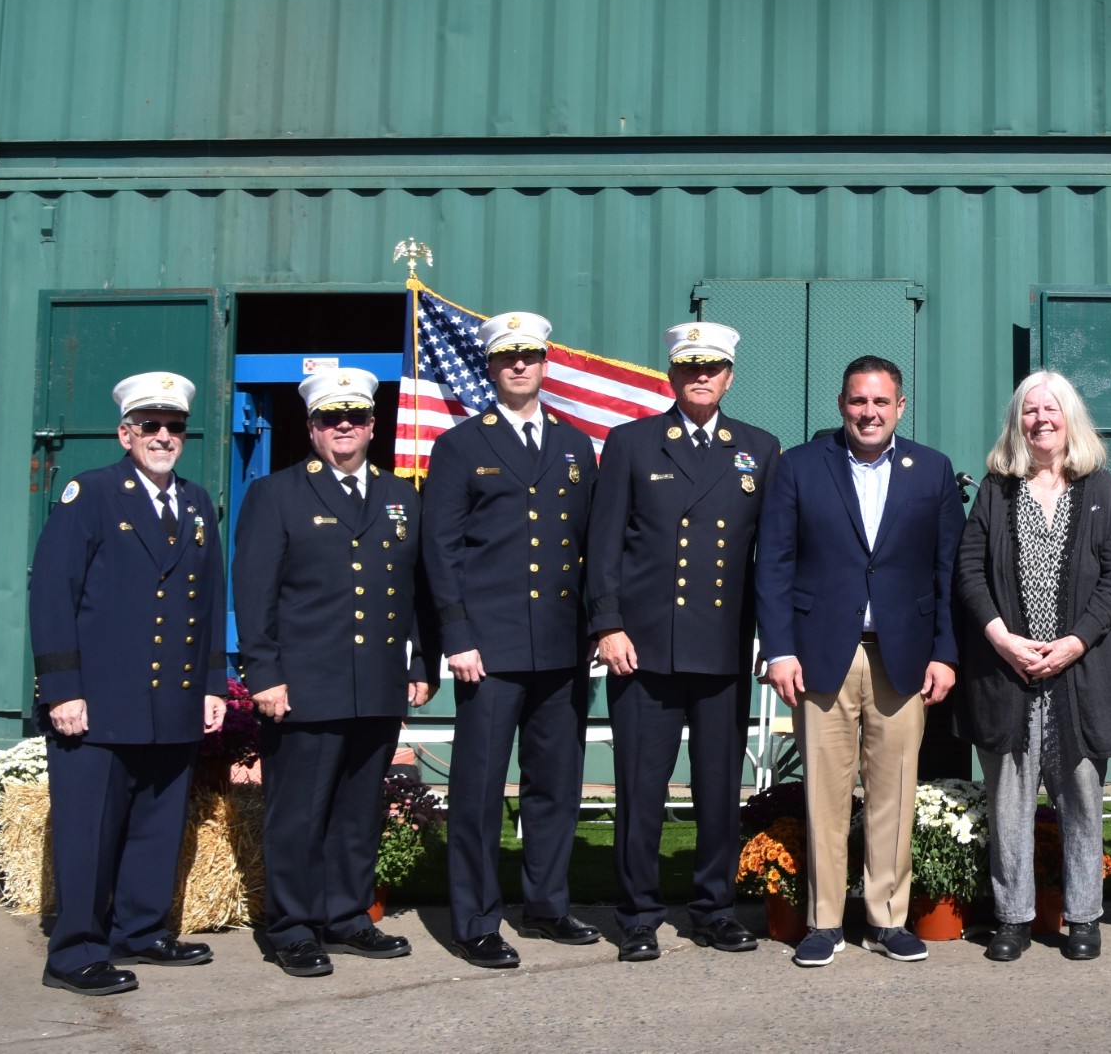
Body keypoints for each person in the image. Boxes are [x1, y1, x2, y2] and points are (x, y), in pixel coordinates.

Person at [755, 356, 963, 967]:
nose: (868, 413)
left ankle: (887, 918)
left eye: (880, 402)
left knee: (894, 790)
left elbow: (949, 571)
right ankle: (823, 921)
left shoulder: (932, 470)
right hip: (822, 653)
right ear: (841, 405)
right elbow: (773, 565)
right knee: (825, 791)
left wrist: (947, 653)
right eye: (857, 401)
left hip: (903, 655)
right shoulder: (799, 467)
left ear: (901, 407)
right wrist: (780, 649)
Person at [28, 371, 226, 996]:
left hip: (172, 698)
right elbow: (52, 594)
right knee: (88, 830)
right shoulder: (90, 494)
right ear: (125, 432)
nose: (164, 437)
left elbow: (210, 602)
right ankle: (75, 953)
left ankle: (139, 931)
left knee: (157, 821)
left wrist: (213, 684)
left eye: (174, 427)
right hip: (98, 698)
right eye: (151, 426)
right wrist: (62, 688)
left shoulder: (194, 501)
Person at [234, 368, 437, 977]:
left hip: (376, 683)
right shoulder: (277, 494)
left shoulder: (403, 495)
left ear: (373, 425)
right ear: (312, 427)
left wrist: (421, 662)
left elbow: (418, 591)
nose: (343, 426)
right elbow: (255, 594)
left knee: (356, 809)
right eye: (330, 418)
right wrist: (264, 673)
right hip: (303, 686)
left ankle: (348, 915)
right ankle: (293, 925)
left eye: (354, 416)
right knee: (298, 812)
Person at [586, 322, 778, 962]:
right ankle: (639, 914)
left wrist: (771, 641)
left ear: (729, 376)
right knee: (642, 787)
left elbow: (768, 561)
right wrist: (607, 623)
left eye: (713, 368)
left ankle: (714, 908)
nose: (702, 377)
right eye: (690, 367)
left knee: (719, 790)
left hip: (722, 647)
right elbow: (603, 543)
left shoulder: (759, 448)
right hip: (643, 648)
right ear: (672, 375)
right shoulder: (633, 443)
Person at [421, 312, 600, 967]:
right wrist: (457, 635)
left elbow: (590, 544)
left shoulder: (576, 446)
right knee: (479, 788)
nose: (519, 366)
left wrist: (594, 623)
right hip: (487, 651)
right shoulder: (462, 445)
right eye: (507, 357)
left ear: (545, 362)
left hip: (560, 644)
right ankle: (475, 920)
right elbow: (439, 547)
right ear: (491, 367)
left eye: (530, 355)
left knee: (555, 785)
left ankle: (547, 905)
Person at [954, 371, 1111, 964]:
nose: (1040, 420)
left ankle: (1083, 917)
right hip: (1009, 675)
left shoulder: (1101, 488)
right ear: (1017, 421)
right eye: (1030, 411)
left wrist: (1076, 642)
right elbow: (970, 571)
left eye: (1051, 409)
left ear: (1070, 418)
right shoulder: (996, 490)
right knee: (1009, 802)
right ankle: (1013, 918)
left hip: (1079, 677)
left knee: (1081, 800)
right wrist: (1001, 638)